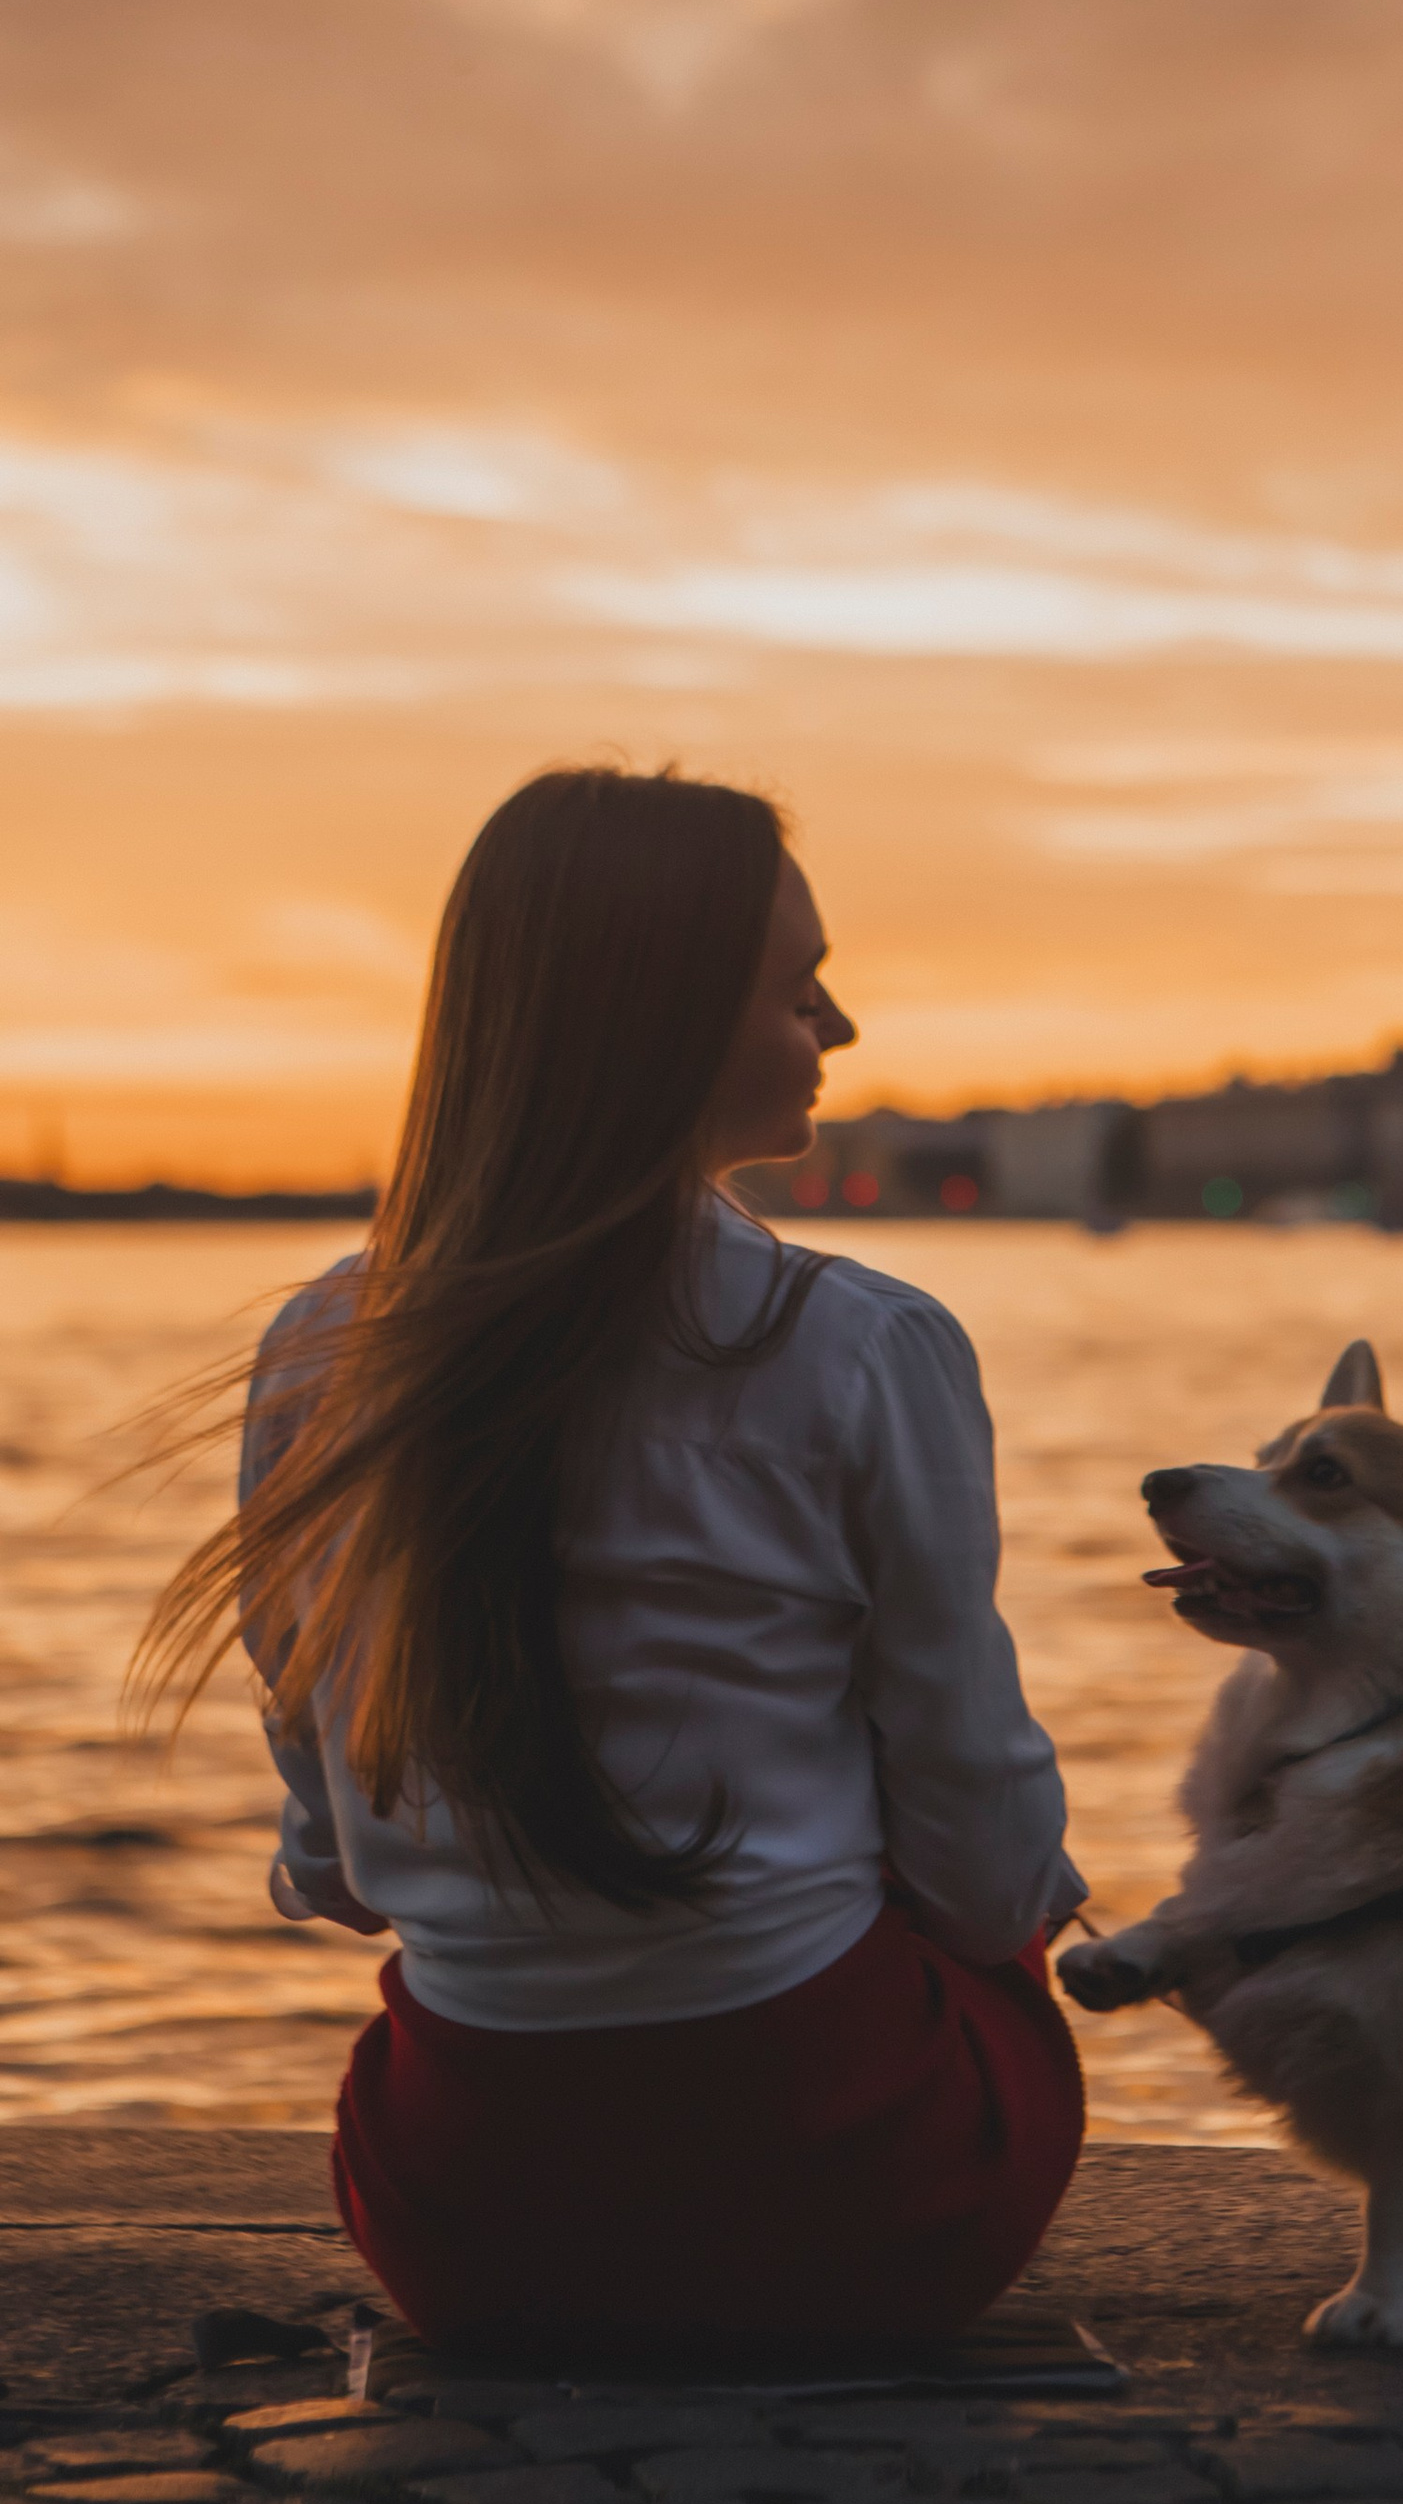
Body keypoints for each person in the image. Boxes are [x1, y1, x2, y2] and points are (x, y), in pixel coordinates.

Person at [135, 765, 1085, 2352]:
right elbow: (980, 1857)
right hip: (859, 2205)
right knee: (1000, 1908)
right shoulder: (857, 1347)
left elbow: (331, 1857)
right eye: (800, 993)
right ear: (662, 1026)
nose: (839, 1033)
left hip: (469, 2223)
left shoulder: (321, 1349)